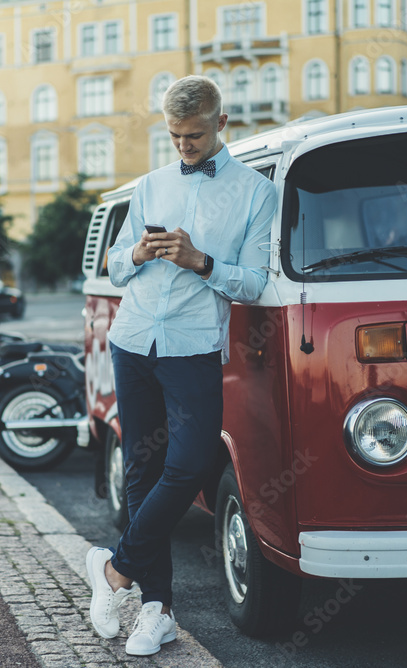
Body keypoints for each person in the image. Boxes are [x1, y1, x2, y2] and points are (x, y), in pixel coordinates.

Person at [85, 75, 277, 655]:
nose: (183, 147)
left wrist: (201, 261)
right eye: (174, 136)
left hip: (192, 346)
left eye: (193, 135)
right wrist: (139, 252)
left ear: (222, 124)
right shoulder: (151, 184)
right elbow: (116, 266)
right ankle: (157, 608)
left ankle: (114, 569)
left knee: (190, 465)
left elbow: (254, 283)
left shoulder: (255, 194)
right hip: (133, 337)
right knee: (142, 474)